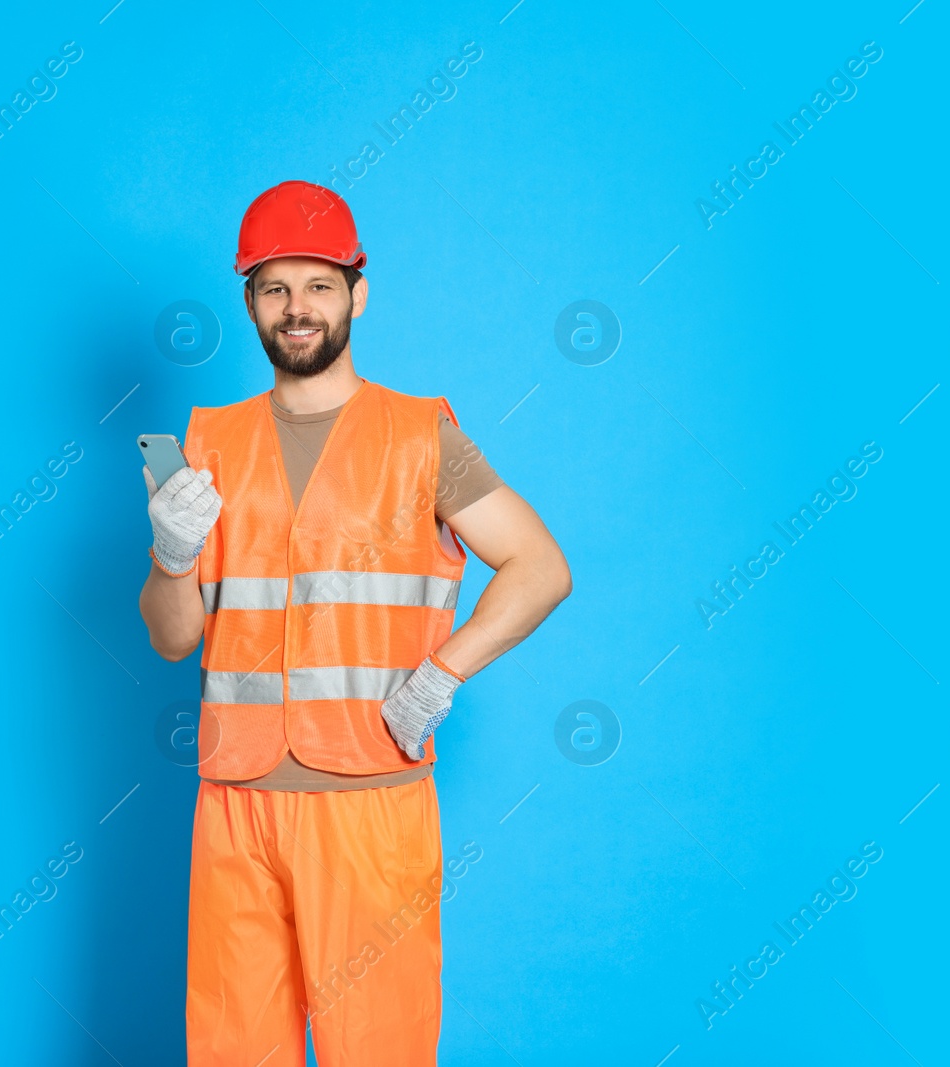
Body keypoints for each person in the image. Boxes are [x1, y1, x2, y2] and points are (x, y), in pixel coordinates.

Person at [137, 179, 572, 1066]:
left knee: (378, 1051)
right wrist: (171, 557)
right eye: (274, 288)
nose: (298, 309)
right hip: (234, 807)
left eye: (319, 285)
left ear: (356, 293)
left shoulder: (421, 438)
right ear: (251, 302)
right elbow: (173, 636)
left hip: (370, 807)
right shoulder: (209, 442)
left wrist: (446, 671)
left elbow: (541, 568)